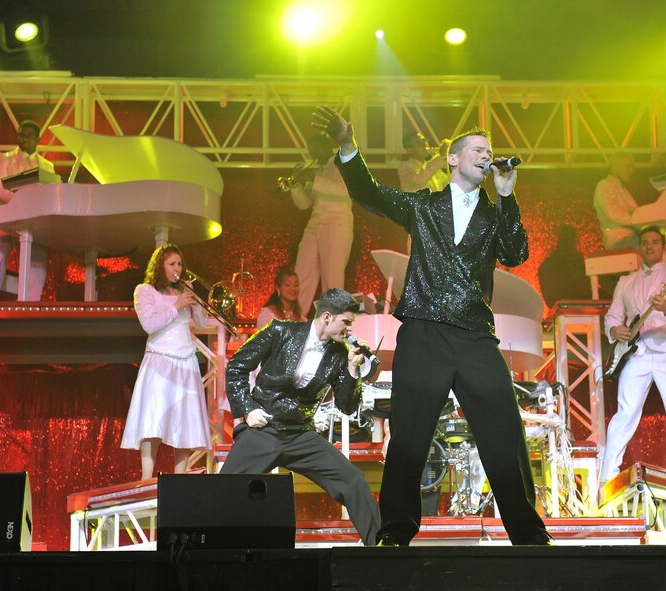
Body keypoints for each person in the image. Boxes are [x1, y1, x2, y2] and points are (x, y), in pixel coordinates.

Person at [312, 105, 552, 547]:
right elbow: (369, 194)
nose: (486, 155)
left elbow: (516, 254)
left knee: (503, 434)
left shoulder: (493, 209)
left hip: (476, 336)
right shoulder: (423, 206)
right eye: (478, 149)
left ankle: (529, 533)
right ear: (454, 160)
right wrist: (347, 147)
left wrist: (507, 195)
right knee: (409, 435)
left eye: (490, 151)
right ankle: (396, 532)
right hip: (423, 332)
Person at [220, 288, 381, 546]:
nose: (350, 329)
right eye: (346, 322)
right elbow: (237, 367)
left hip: (300, 435)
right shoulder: (280, 331)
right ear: (327, 317)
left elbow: (347, 407)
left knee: (353, 480)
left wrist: (353, 370)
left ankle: (381, 551)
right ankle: (206, 551)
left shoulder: (340, 354)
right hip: (264, 429)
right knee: (224, 490)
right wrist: (247, 410)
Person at [600, 225, 666, 484]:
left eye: (655, 242)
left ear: (663, 247)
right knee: (624, 414)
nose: (650, 246)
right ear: (640, 247)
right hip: (637, 354)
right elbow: (612, 316)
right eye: (645, 242)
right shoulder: (625, 282)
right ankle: (606, 480)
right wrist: (616, 329)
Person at [121, 244, 212, 481]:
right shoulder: (145, 290)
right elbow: (149, 325)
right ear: (160, 266)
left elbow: (202, 323)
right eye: (172, 264)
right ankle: (147, 479)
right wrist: (178, 304)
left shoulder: (182, 293)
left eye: (180, 264)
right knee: (153, 421)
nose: (177, 269)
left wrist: (198, 303)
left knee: (185, 424)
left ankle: (179, 480)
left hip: (186, 362)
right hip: (159, 361)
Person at [0, 120, 55, 301]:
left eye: (29, 135)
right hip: (6, 215)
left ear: (38, 139)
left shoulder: (47, 165)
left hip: (34, 220)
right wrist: (21, 202)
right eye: (21, 134)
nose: (23, 139)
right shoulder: (4, 158)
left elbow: (49, 193)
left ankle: (29, 308)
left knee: (38, 264)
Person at [291, 134, 353, 318]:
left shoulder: (342, 163)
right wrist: (295, 185)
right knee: (302, 275)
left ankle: (332, 325)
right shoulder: (317, 170)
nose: (313, 153)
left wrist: (314, 179)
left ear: (327, 146)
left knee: (332, 279)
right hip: (314, 225)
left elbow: (344, 190)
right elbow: (304, 204)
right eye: (310, 149)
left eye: (316, 148)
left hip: (336, 223)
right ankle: (296, 321)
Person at [537, 225, 592, 308]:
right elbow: (585, 288)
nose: (573, 244)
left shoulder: (547, 265)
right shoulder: (573, 261)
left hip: (561, 308)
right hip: (571, 307)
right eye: (571, 240)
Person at [593, 153, 640, 250]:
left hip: (631, 238)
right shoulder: (604, 185)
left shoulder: (622, 189)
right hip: (618, 241)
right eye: (628, 167)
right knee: (655, 245)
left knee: (665, 247)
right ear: (616, 167)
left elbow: (636, 213)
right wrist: (638, 219)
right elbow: (613, 213)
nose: (631, 171)